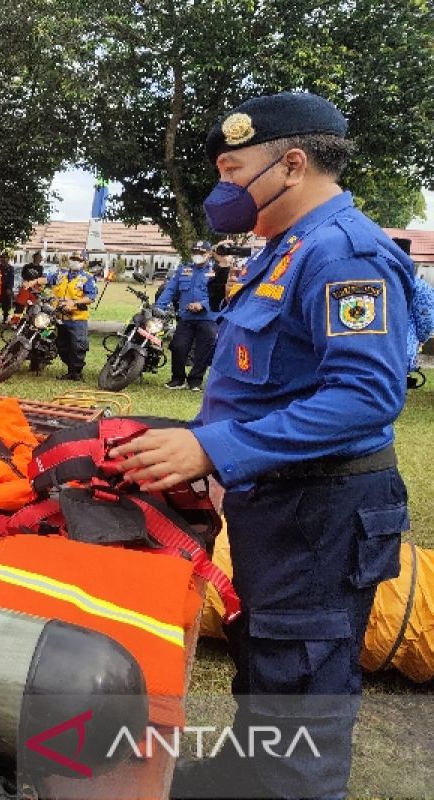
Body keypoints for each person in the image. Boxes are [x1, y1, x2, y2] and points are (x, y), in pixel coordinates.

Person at [112, 92, 414, 799]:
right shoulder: (288, 249)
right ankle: (247, 773)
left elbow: (364, 395)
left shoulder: (345, 253)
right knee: (268, 655)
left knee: (301, 680)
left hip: (324, 512)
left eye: (231, 168)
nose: (222, 189)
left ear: (293, 164)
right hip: (279, 504)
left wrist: (216, 450)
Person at [156, 240, 219, 391]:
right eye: (195, 253)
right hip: (186, 317)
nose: (197, 256)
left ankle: (195, 381)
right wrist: (159, 306)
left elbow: (220, 295)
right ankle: (177, 379)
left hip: (208, 318)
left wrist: (202, 304)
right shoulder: (184, 269)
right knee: (178, 346)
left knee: (203, 351)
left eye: (201, 253)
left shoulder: (216, 272)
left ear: (209, 254)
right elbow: (171, 289)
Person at [45, 251, 97, 380]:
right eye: (72, 258)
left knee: (78, 346)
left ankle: (76, 372)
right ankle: (70, 370)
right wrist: (33, 281)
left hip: (77, 318)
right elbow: (47, 279)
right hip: (61, 317)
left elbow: (91, 297)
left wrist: (74, 302)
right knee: (62, 345)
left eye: (78, 259)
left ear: (83, 262)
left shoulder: (87, 278)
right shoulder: (61, 274)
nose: (74, 261)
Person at [0, 250, 16, 324]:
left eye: (5, 257)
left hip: (6, 287)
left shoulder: (11, 268)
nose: (4, 259)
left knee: (6, 303)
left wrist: (9, 288)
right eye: (2, 257)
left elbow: (11, 279)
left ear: (8, 259)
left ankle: (5, 317)